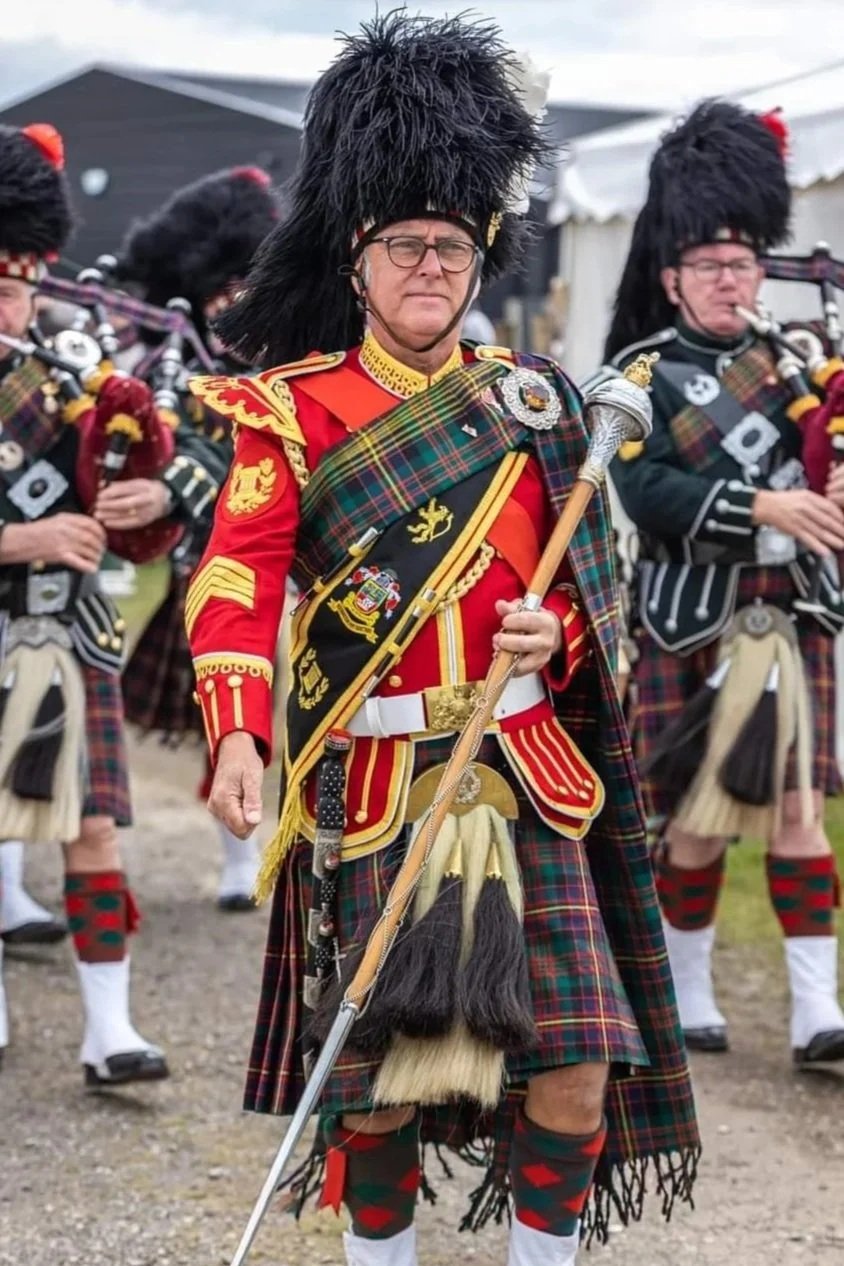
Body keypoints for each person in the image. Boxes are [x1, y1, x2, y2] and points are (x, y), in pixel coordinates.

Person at [187, 15, 699, 1266]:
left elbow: (594, 585)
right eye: (407, 245)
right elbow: (233, 578)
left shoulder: (535, 405)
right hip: (374, 784)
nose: (432, 266)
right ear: (356, 255)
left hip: (526, 776)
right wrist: (240, 732)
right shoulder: (290, 412)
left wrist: (557, 627)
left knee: (573, 1066)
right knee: (381, 1094)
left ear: (482, 258)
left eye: (454, 246)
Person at [602, 100, 844, 1068]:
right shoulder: (638, 374)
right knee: (696, 816)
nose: (728, 279)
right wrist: (762, 509)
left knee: (798, 810)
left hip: (790, 616)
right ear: (670, 276)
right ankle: (685, 994)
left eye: (742, 262)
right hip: (688, 619)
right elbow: (639, 488)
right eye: (706, 264)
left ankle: (814, 1012)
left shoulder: (802, 367)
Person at [0, 121, 176, 1084]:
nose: (9, 303)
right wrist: (19, 539)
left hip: (66, 633)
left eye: (20, 283)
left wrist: (151, 501)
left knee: (94, 827)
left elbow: (144, 522)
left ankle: (108, 1030)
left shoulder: (76, 386)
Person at [96, 167, 279, 910]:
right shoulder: (155, 367)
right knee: (93, 703)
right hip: (171, 563)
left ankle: (240, 861)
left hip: (251, 567)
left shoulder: (280, 373)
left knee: (242, 713)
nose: (231, 304)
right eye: (219, 291)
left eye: (244, 287)